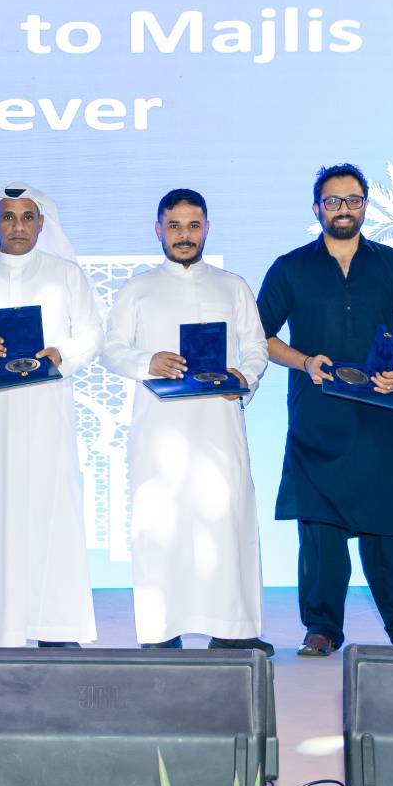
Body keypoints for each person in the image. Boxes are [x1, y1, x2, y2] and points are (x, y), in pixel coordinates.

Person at [258, 165, 393, 655]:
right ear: (316, 208)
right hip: (317, 416)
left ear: (366, 205)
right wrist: (304, 362)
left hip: (382, 413)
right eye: (333, 201)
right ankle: (321, 629)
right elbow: (260, 336)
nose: (343, 208)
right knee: (320, 529)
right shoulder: (290, 268)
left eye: (353, 200)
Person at [102, 189, 271, 653]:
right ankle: (161, 631)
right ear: (158, 229)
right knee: (162, 526)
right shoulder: (137, 288)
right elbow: (111, 350)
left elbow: (256, 349)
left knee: (227, 522)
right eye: (174, 226)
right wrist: (148, 361)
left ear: (207, 229)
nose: (183, 236)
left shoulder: (232, 285)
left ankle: (234, 630)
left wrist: (243, 374)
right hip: (161, 429)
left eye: (192, 226)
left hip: (219, 425)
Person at [0, 184, 102, 648]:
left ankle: (56, 626)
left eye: (27, 217)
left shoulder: (67, 275)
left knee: (50, 512)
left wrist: (60, 352)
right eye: (8, 218)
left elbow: (92, 334)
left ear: (41, 223)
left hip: (46, 414)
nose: (17, 227)